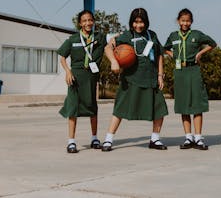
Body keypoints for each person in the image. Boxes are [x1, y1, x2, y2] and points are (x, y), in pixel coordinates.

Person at [101, 8, 168, 151]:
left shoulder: (152, 35)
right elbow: (108, 48)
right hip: (131, 79)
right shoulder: (126, 35)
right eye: (136, 22)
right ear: (131, 23)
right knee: (119, 109)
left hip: (151, 78)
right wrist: (113, 61)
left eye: (141, 22)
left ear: (146, 22)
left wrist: (160, 75)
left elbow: (160, 55)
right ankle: (108, 139)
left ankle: (155, 139)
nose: (139, 25)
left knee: (159, 109)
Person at [164, 8, 217, 150]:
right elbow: (165, 48)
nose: (185, 23)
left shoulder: (197, 34)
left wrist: (200, 53)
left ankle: (198, 138)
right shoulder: (173, 36)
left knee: (197, 105)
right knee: (184, 105)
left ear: (191, 21)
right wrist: (172, 55)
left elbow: (213, 43)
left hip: (193, 70)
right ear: (178, 21)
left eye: (188, 20)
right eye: (183, 20)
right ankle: (188, 137)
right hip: (180, 71)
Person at [58, 9, 106, 153]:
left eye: (90, 20)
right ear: (80, 23)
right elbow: (62, 57)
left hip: (91, 77)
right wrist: (68, 71)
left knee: (92, 107)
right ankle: (71, 142)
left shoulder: (100, 37)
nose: (87, 23)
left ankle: (94, 138)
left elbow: (113, 42)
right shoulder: (73, 39)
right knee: (73, 108)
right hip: (75, 78)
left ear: (93, 22)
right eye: (84, 21)